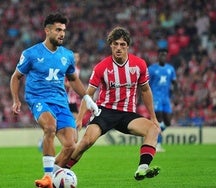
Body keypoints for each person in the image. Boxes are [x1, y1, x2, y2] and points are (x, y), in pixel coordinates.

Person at [10, 13, 99, 188]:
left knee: (70, 146)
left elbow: (73, 79)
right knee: (50, 127)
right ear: (47, 30)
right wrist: (16, 100)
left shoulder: (67, 55)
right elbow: (16, 77)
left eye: (64, 30)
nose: (62, 34)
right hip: (38, 99)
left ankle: (53, 175)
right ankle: (48, 177)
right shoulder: (31, 53)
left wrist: (88, 99)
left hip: (60, 102)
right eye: (58, 30)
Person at [65, 26, 161, 181]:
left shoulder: (139, 65)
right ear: (110, 45)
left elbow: (145, 91)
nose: (119, 48)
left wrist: (153, 117)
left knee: (153, 129)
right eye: (115, 44)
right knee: (86, 142)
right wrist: (79, 118)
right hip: (104, 112)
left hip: (127, 115)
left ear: (127, 46)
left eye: (122, 45)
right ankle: (63, 169)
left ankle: (142, 169)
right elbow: (88, 94)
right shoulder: (101, 67)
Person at [148, 48, 177, 152]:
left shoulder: (170, 69)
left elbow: (174, 83)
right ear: (158, 56)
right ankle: (158, 144)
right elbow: (145, 84)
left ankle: (153, 134)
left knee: (168, 122)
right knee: (158, 119)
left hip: (166, 98)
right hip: (155, 98)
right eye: (161, 55)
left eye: (165, 55)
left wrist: (176, 96)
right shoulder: (151, 69)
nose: (163, 57)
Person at [65, 52, 81, 119]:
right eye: (74, 57)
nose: (75, 59)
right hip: (66, 96)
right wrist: (70, 85)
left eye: (77, 57)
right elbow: (63, 82)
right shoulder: (67, 68)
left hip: (73, 97)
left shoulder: (78, 69)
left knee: (74, 116)